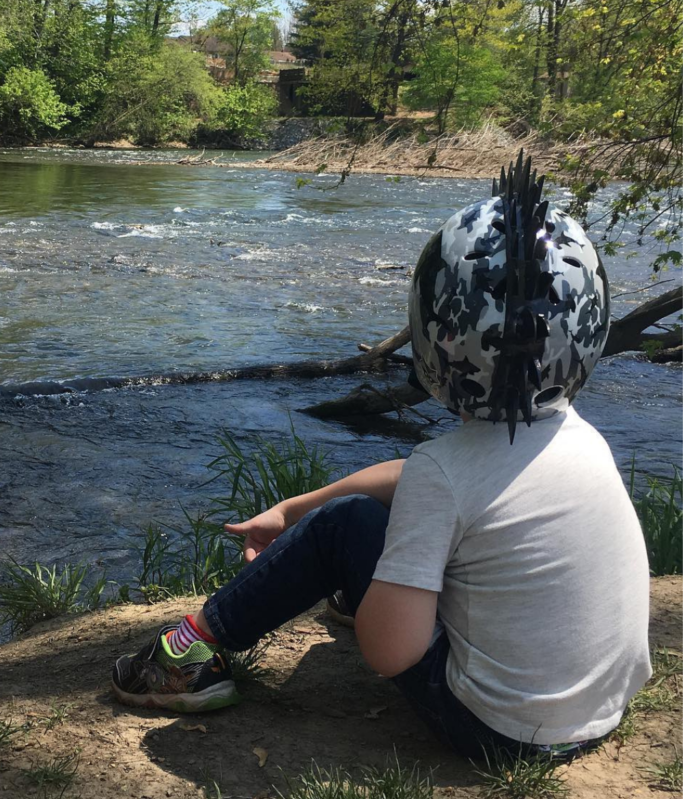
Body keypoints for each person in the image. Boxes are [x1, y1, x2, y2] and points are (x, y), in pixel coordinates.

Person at [112, 153, 652, 760]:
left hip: (499, 734)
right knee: (359, 522)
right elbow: (417, 482)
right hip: (596, 714)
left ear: (435, 334)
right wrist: (293, 509)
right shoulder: (581, 437)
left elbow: (389, 652)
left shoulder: (445, 473)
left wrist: (365, 586)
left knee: (346, 527)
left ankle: (180, 656)